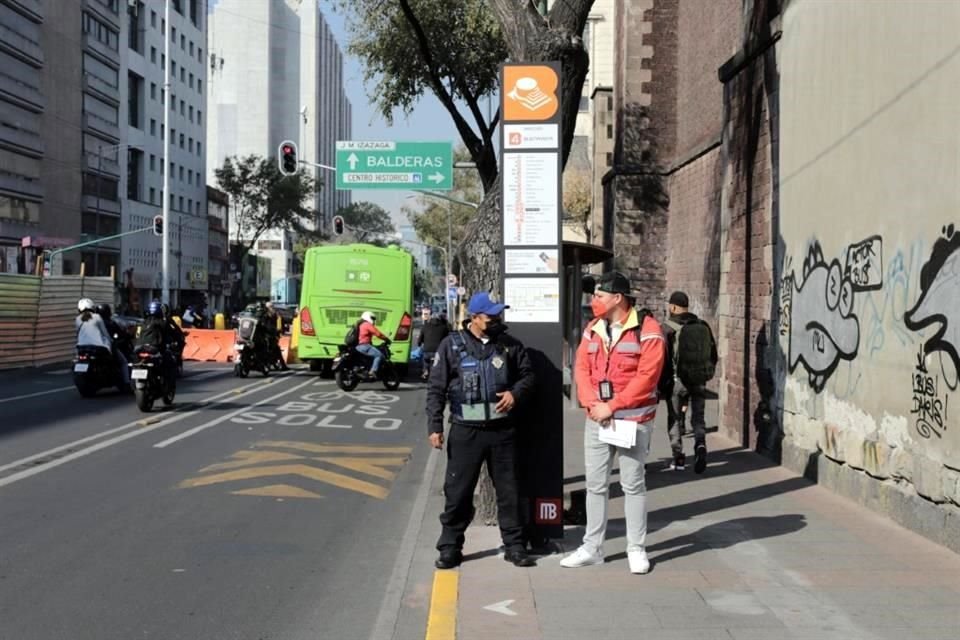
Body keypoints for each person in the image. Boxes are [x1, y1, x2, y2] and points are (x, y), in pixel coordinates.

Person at [562, 272, 666, 574]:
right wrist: (593, 403)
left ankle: (636, 548)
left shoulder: (648, 330)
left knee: (632, 485)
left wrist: (612, 405)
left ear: (617, 298)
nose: (594, 301)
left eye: (599, 296)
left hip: (632, 420)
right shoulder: (593, 329)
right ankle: (592, 547)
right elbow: (581, 367)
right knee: (595, 486)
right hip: (598, 418)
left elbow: (647, 378)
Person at [426, 292, 537, 569]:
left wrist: (515, 393)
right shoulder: (451, 346)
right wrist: (435, 426)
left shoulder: (509, 346)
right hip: (466, 431)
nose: (496, 320)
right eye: (490, 317)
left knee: (509, 491)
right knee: (458, 492)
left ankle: (514, 546)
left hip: (502, 431)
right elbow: (436, 388)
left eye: (498, 315)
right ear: (474, 318)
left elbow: (528, 376)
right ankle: (450, 547)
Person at [663, 291, 718, 474]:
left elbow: (663, 358)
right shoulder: (703, 325)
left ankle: (678, 457)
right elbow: (713, 355)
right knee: (698, 417)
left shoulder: (668, 328)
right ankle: (700, 444)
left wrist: (664, 383)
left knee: (675, 418)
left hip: (678, 381)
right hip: (699, 379)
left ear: (673, 307)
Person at [96, 303, 131, 386]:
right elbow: (120, 333)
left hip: (96, 347)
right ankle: (127, 383)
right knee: (124, 362)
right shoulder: (110, 323)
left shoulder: (95, 322)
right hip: (108, 347)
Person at [417, 307, 450, 380]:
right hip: (438, 351)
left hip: (427, 350)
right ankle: (438, 373)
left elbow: (420, 339)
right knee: (439, 363)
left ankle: (425, 371)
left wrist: (419, 344)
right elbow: (447, 339)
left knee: (425, 360)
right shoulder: (443, 327)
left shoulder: (425, 326)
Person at [356, 311, 390, 379]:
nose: (374, 321)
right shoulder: (367, 324)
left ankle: (366, 370)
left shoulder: (360, 324)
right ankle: (372, 371)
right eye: (372, 318)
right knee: (379, 355)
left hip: (358, 347)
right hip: (365, 346)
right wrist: (386, 339)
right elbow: (378, 334)